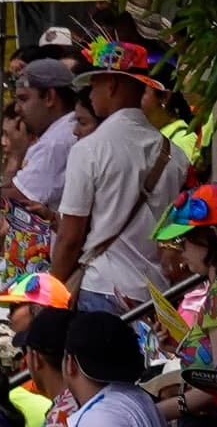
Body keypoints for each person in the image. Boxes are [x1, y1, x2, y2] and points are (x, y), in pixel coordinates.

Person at [52, 44, 186, 317]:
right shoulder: (176, 155)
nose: (90, 93)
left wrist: (51, 292)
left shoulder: (89, 150)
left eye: (94, 84)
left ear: (112, 85)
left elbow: (70, 238)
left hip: (103, 286)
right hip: (157, 296)